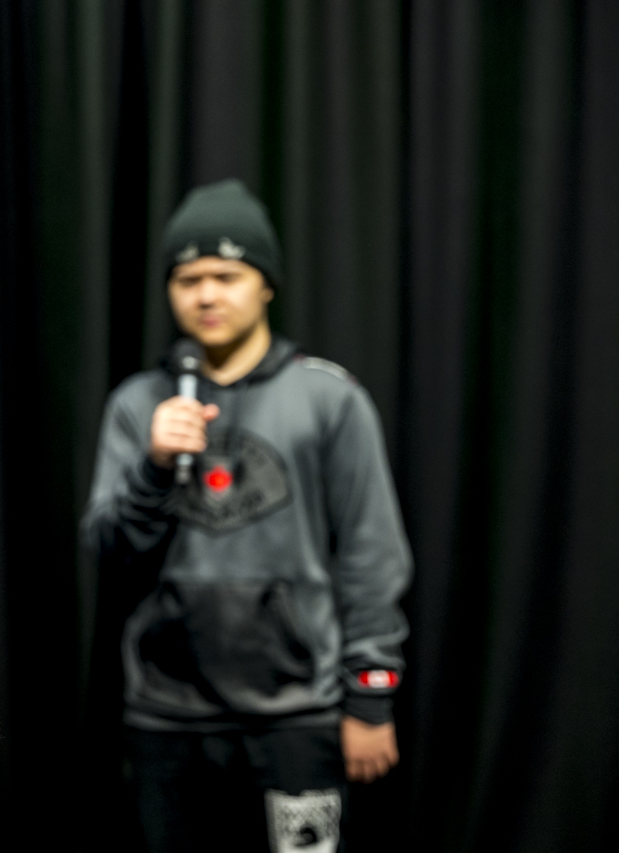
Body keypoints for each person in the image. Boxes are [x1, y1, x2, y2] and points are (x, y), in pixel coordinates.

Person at [81, 180, 411, 852]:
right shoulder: (138, 404)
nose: (206, 295)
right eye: (188, 278)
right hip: (166, 717)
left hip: (297, 715)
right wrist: (152, 466)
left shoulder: (328, 397)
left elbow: (373, 555)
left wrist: (370, 695)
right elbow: (108, 552)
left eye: (227, 276)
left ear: (266, 284)